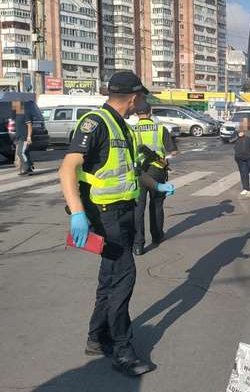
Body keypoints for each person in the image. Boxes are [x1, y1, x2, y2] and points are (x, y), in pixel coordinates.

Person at [58, 72, 176, 377]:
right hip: (104, 215)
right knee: (124, 276)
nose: (145, 101)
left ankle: (96, 338)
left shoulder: (125, 127)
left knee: (109, 277)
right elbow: (67, 168)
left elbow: (134, 171)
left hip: (124, 214)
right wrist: (77, 213)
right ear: (134, 97)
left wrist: (156, 187)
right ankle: (122, 350)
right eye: (144, 97)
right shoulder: (96, 123)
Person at [132, 103, 178, 256]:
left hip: (138, 172)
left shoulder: (132, 131)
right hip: (157, 171)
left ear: (136, 114)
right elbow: (173, 151)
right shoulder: (160, 129)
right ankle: (157, 236)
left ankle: (138, 245)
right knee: (156, 205)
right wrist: (165, 157)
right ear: (150, 112)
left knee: (138, 208)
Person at [231, 128, 250, 196]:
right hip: (240, 157)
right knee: (243, 173)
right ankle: (246, 188)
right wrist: (238, 136)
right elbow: (231, 140)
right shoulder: (237, 131)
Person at [12, 101, 33, 176]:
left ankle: (27, 168)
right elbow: (18, 127)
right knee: (24, 152)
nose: (13, 106)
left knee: (21, 152)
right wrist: (16, 138)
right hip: (19, 137)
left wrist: (29, 137)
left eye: (15, 105)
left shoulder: (26, 113)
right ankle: (29, 167)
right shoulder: (17, 115)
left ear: (20, 105)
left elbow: (29, 125)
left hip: (24, 137)